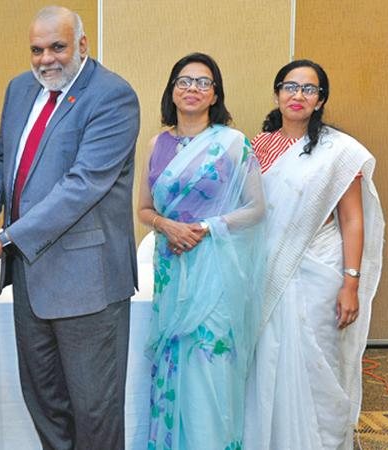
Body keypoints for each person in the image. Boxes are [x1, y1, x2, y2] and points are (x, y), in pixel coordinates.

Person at [0, 6, 139, 448]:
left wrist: (2, 240)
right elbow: (5, 158)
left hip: (89, 286)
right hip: (30, 280)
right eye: (36, 50)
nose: (45, 60)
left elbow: (82, 186)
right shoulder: (20, 89)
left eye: (57, 47)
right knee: (45, 404)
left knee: (95, 413)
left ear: (82, 45)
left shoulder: (113, 96)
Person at [244, 60, 384, 450]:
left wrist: (351, 283)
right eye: (290, 87)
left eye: (309, 89)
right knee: (265, 361)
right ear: (277, 93)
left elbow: (353, 220)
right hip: (266, 268)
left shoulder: (338, 152)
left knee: (316, 361)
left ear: (320, 99)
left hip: (320, 269)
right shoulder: (256, 147)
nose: (298, 96)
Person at [137, 53, 266, 450]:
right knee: (175, 365)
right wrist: (166, 225)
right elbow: (144, 209)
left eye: (203, 82)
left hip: (215, 270)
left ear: (215, 95)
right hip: (171, 267)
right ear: (172, 90)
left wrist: (207, 228)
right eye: (184, 81)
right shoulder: (158, 142)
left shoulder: (232, 144)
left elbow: (257, 209)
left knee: (210, 370)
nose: (192, 88)